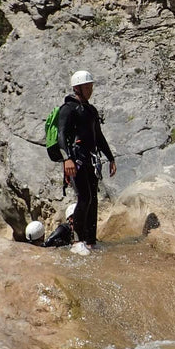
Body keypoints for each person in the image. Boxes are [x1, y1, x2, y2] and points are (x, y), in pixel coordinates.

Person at [56, 70, 117, 255]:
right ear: (77, 88)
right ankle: (77, 241)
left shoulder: (90, 110)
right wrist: (67, 159)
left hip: (91, 159)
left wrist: (111, 157)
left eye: (91, 86)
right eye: (86, 87)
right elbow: (61, 135)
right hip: (75, 159)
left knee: (93, 199)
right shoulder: (68, 108)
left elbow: (98, 136)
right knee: (84, 198)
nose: (90, 89)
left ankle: (91, 241)